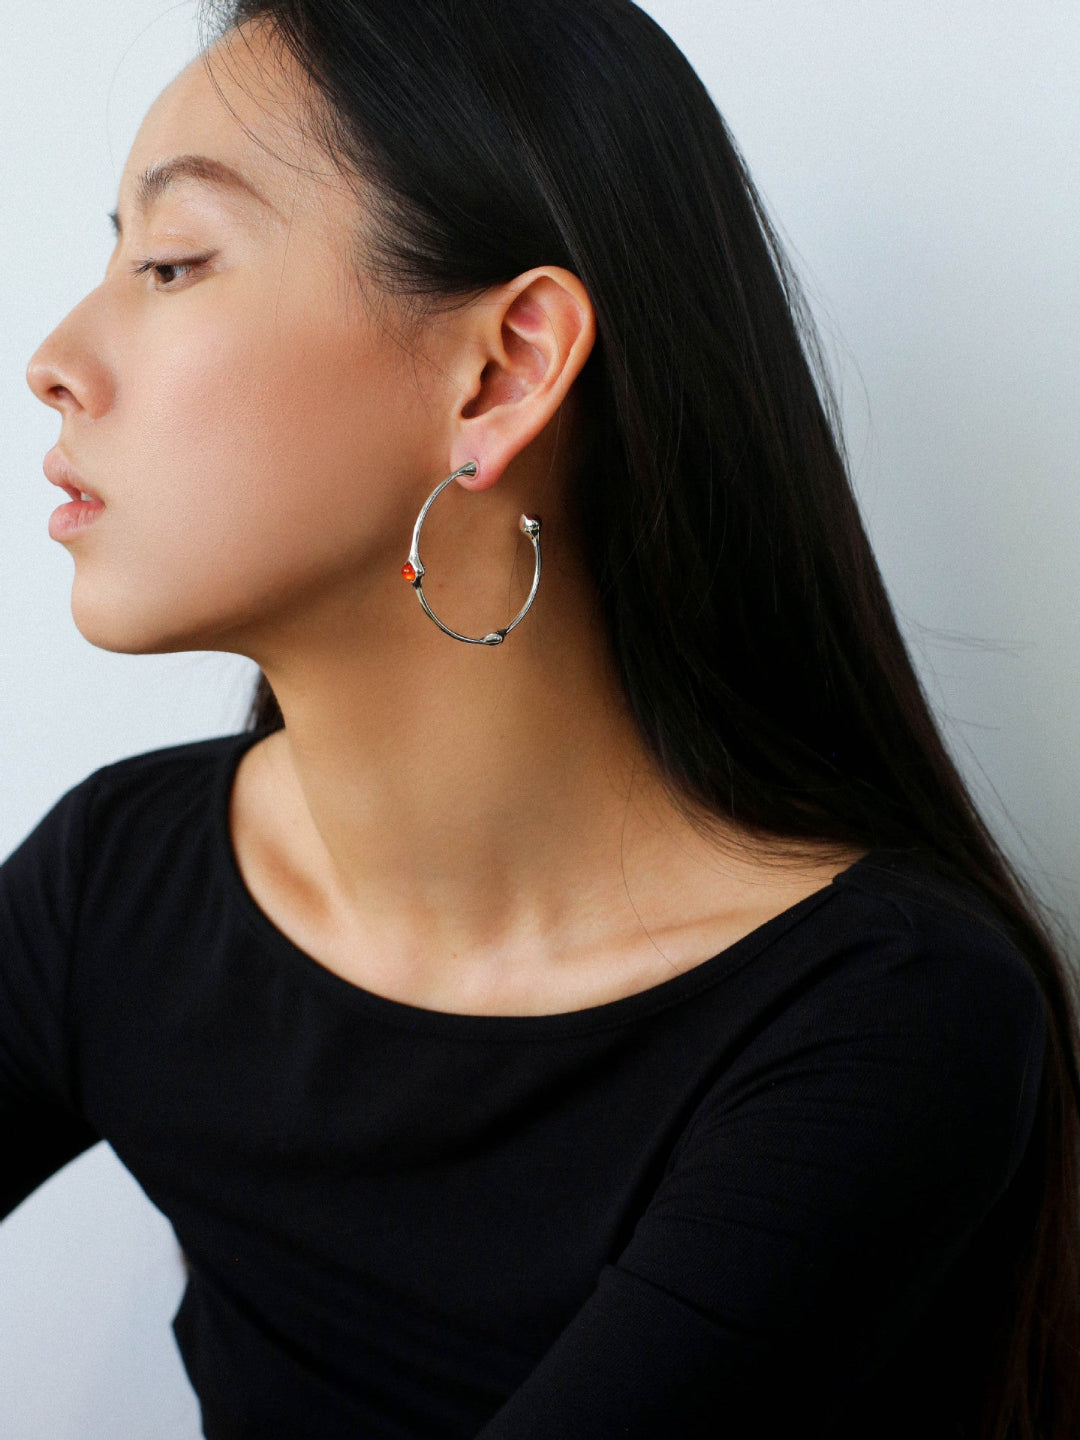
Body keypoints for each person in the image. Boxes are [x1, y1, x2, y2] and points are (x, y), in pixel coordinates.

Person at [9, 0, 1079, 1435]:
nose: (56, 358)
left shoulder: (879, 1027)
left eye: (172, 261)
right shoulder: (116, 888)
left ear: (506, 369)